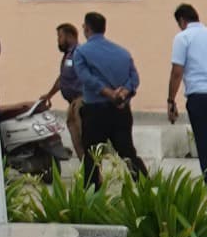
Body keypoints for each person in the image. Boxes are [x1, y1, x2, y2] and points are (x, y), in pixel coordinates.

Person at [167, 2, 207, 210]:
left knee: (206, 150)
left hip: (199, 97)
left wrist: (171, 100)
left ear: (182, 21)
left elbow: (177, 72)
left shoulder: (183, 37)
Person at [75, 10, 148, 185]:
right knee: (128, 153)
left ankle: (93, 198)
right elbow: (135, 78)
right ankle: (147, 189)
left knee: (92, 156)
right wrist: (124, 93)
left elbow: (86, 78)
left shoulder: (82, 52)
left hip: (95, 112)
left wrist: (107, 92)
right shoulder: (122, 52)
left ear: (87, 28)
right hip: (120, 110)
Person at [42, 21, 84, 158]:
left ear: (70, 36)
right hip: (71, 104)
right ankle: (89, 173)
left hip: (81, 102)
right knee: (76, 140)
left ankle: (95, 174)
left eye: (60, 37)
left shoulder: (79, 53)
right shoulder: (67, 56)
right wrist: (49, 95)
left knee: (85, 139)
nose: (58, 41)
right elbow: (62, 79)